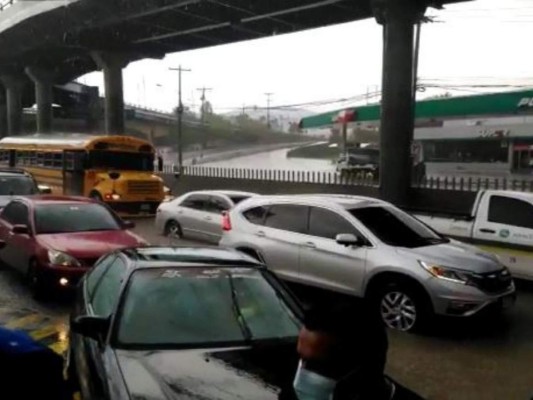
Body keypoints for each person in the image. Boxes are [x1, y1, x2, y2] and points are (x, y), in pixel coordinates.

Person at [280, 301, 424, 400]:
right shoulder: (291, 394)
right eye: (301, 359)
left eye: (316, 366)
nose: (302, 374)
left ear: (361, 372)